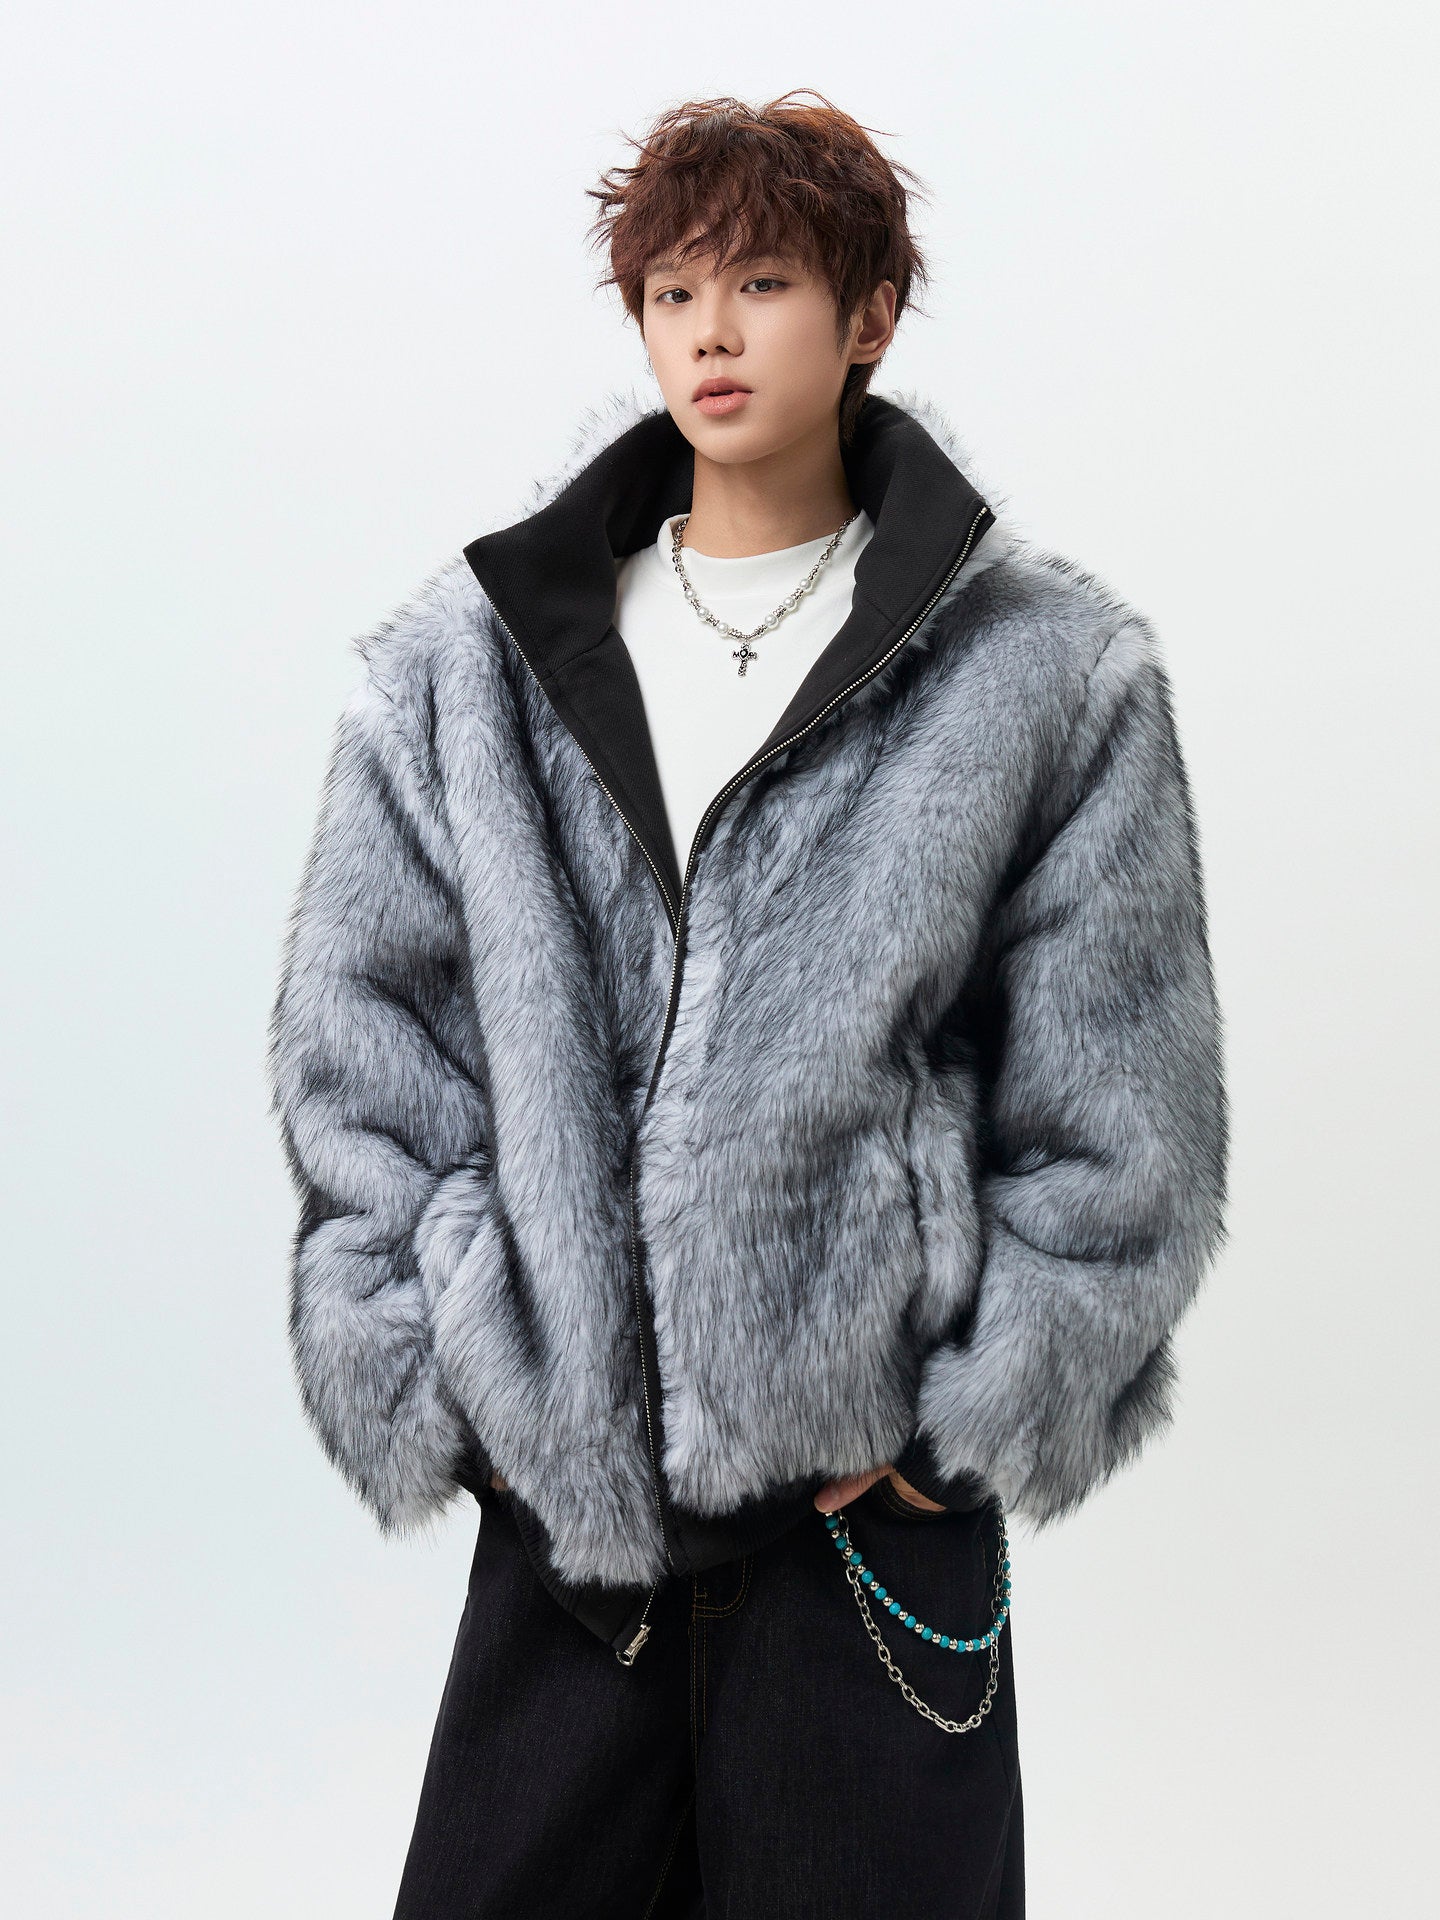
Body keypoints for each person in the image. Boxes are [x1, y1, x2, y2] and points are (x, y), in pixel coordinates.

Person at [266, 89, 1229, 1919]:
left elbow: (1126, 1126)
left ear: (871, 315)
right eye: (673, 291)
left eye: (766, 283)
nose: (711, 331)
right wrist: (458, 1371)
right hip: (571, 1550)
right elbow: (364, 1057)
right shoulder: (471, 667)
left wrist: (948, 1439)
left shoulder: (1045, 675)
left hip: (860, 1551)